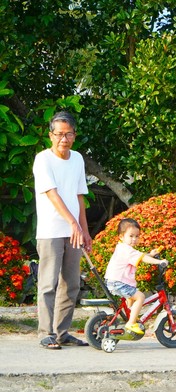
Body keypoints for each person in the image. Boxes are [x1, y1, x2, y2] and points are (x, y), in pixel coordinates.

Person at [33, 111, 92, 349]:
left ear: (74, 136)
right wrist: (73, 224)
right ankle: (46, 333)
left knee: (71, 283)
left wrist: (84, 230)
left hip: (74, 231)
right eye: (59, 134)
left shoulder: (77, 159)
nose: (63, 139)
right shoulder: (43, 159)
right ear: (51, 136)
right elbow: (52, 194)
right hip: (50, 230)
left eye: (68, 134)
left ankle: (62, 332)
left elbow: (79, 196)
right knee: (48, 284)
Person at [104, 218, 168, 335]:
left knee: (131, 298)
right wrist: (159, 262)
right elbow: (142, 258)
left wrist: (151, 255)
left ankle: (130, 317)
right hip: (119, 282)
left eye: (137, 236)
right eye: (131, 236)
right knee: (140, 297)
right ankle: (131, 323)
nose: (134, 239)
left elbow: (139, 257)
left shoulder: (122, 248)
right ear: (121, 236)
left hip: (115, 281)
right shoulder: (127, 250)